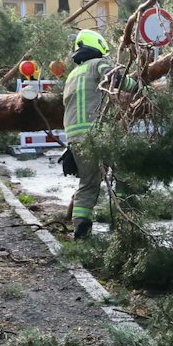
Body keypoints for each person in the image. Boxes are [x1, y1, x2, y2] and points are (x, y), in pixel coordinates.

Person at [61, 29, 111, 239]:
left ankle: (81, 227)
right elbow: (114, 79)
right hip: (96, 131)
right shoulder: (99, 64)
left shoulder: (72, 75)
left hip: (74, 136)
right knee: (124, 173)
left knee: (88, 183)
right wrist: (140, 88)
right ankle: (125, 221)